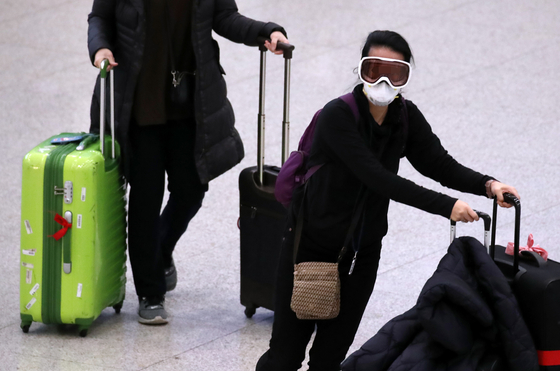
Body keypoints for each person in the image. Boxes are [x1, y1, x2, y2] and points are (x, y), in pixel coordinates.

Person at [256, 30, 519, 371]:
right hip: (310, 246)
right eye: (373, 69)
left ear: (405, 77)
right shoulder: (338, 116)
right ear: (361, 70)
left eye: (394, 72)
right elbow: (379, 179)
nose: (383, 80)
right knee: (285, 355)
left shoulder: (404, 118)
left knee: (329, 358)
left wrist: (488, 184)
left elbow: (439, 164)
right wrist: (446, 206)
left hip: (362, 254)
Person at [87, 0, 288, 325]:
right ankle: (150, 293)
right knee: (145, 200)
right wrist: (100, 48)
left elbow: (225, 17)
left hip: (189, 104)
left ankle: (161, 250)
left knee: (191, 188)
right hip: (139, 106)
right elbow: (100, 17)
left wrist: (265, 32)